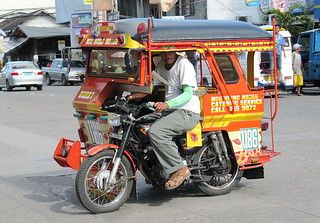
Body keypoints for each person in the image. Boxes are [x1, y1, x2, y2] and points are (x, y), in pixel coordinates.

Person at [128, 52, 200, 190]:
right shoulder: (161, 65)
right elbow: (150, 89)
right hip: (171, 111)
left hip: (187, 111)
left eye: (170, 52)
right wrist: (130, 97)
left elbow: (188, 94)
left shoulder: (184, 64)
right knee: (137, 124)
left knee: (156, 131)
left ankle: (180, 168)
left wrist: (168, 104)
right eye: (164, 52)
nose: (167, 55)